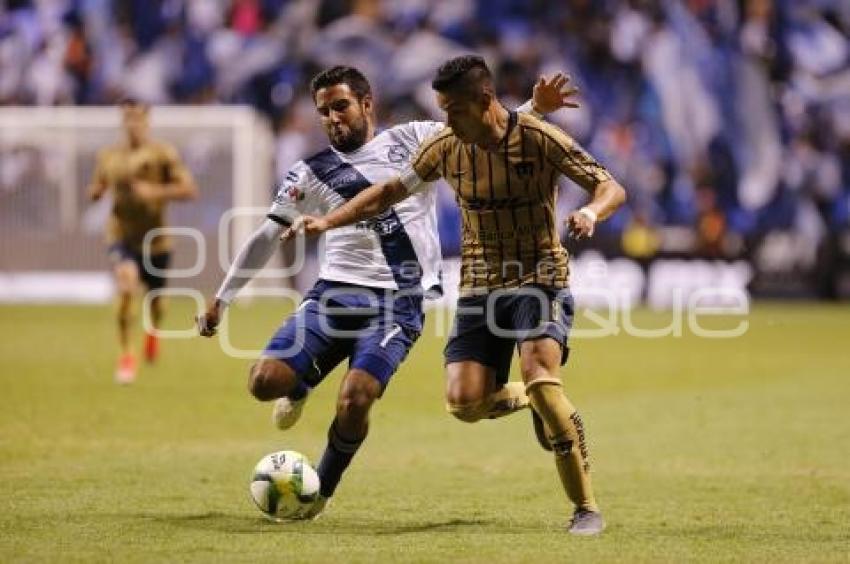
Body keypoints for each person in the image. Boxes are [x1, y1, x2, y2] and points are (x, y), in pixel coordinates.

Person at [196, 65, 578, 519]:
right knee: (263, 383)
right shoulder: (309, 172)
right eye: (323, 111)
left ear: (366, 104)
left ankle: (319, 493)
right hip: (333, 295)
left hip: (398, 303)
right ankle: (301, 383)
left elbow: (484, 125)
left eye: (341, 106)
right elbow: (265, 236)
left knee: (356, 398)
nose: (332, 118)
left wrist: (536, 108)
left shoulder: (414, 137)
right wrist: (222, 298)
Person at [285, 55, 626, 534]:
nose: (446, 121)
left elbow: (611, 186)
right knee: (465, 404)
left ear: (484, 100)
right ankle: (535, 403)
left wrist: (591, 213)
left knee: (543, 378)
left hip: (538, 277)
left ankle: (586, 508)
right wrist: (327, 221)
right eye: (442, 110)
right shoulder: (447, 146)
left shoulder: (539, 137)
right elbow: (387, 192)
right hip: (479, 287)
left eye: (454, 110)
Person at [88, 100, 198, 383]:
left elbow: (189, 189)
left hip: (157, 240)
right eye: (127, 118)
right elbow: (98, 184)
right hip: (121, 236)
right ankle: (126, 355)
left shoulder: (163, 154)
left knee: (157, 303)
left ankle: (152, 333)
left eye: (138, 118)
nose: (132, 124)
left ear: (147, 121)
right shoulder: (109, 156)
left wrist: (155, 192)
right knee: (126, 286)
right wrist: (96, 191)